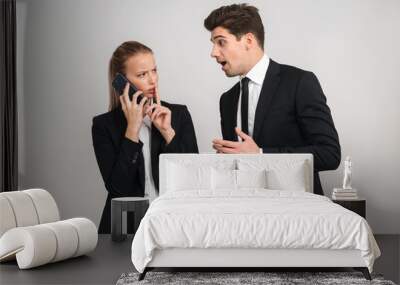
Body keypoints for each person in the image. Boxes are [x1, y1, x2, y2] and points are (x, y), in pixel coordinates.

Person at [204, 4, 341, 195]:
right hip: (244, 213)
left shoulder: (299, 82)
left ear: (248, 40)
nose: (213, 52)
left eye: (221, 42)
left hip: (298, 213)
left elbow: (330, 154)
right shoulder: (227, 100)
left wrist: (260, 155)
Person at [92, 41, 198, 233]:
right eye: (142, 74)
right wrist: (132, 130)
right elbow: (118, 190)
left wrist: (168, 134)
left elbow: (193, 182)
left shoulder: (179, 115)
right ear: (122, 82)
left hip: (173, 225)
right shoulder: (104, 125)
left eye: (154, 71)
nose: (152, 80)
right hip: (124, 228)